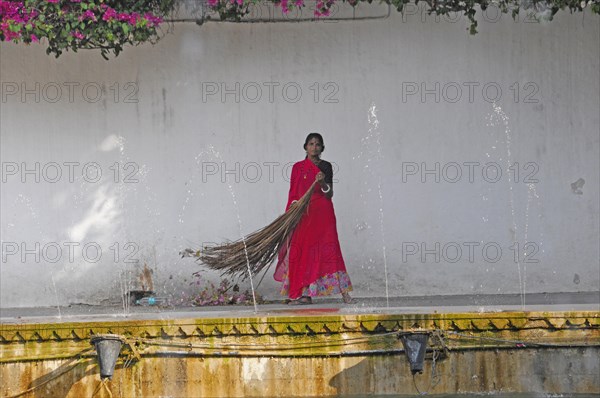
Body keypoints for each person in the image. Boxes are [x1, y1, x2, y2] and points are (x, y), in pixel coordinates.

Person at [274, 133, 353, 305]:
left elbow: (329, 193)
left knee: (331, 251)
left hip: (323, 214)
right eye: (311, 144)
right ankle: (305, 294)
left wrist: (323, 182)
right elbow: (293, 192)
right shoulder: (298, 167)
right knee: (303, 252)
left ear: (322, 148)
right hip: (304, 213)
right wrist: (293, 207)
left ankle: (345, 293)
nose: (314, 147)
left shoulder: (326, 166)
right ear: (305, 147)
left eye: (318, 144)